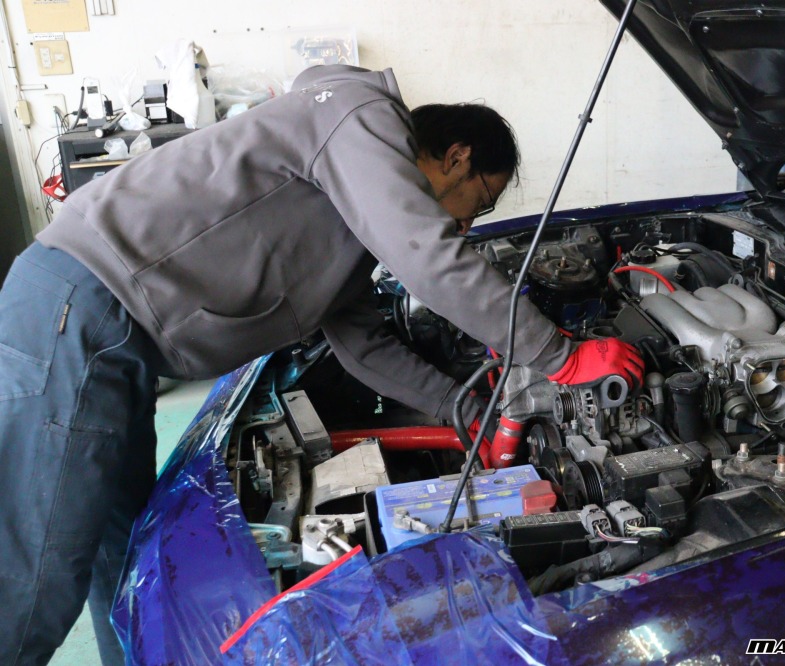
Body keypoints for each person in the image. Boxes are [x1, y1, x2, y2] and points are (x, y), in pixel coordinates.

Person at [0, 64, 644, 665]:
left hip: (113, 338)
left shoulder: (351, 216)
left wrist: (464, 409)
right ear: (456, 157)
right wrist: (561, 357)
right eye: (481, 200)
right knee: (40, 580)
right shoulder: (360, 117)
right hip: (81, 311)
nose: (471, 224)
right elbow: (430, 258)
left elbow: (364, 347)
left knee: (121, 553)